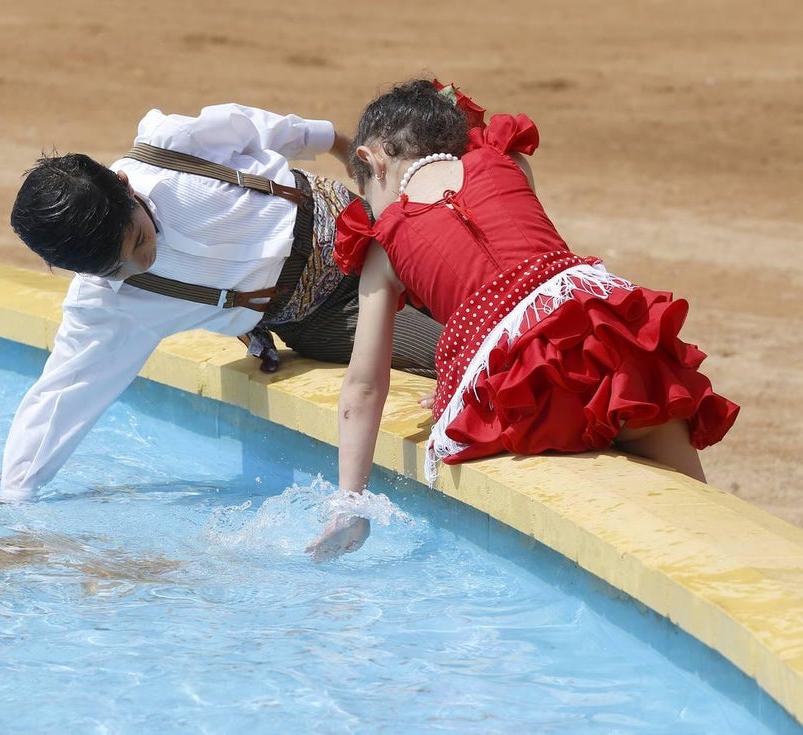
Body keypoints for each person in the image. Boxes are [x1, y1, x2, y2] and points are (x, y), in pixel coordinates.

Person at [305, 78, 740, 561]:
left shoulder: (383, 244)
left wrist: (350, 504)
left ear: (371, 161)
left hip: (527, 395)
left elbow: (364, 388)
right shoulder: (507, 161)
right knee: (699, 513)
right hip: (614, 347)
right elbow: (525, 286)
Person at [1, 103, 445, 501]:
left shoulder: (168, 146)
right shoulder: (104, 307)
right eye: (115, 270)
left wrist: (336, 142)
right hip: (323, 315)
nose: (139, 264)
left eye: (137, 240)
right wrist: (14, 497)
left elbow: (255, 128)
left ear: (125, 185)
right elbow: (60, 397)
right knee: (450, 350)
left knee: (476, 285)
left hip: (366, 224)